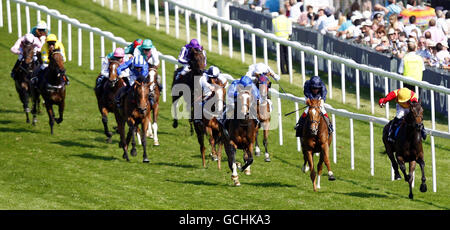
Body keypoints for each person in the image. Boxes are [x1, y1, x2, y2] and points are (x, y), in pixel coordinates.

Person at [219, 75, 260, 139]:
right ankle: (223, 122)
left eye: (247, 87)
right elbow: (230, 94)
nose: (245, 88)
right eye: (243, 87)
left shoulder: (252, 86)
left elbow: (258, 96)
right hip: (234, 100)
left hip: (247, 101)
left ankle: (257, 122)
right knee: (228, 110)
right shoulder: (235, 84)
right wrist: (240, 94)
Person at [272, 7, 292, 74]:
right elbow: (290, 32)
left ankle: (283, 71)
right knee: (287, 56)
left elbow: (273, 31)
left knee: (281, 56)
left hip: (278, 39)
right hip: (286, 39)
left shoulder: (274, 20)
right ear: (284, 12)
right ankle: (289, 70)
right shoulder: (287, 20)